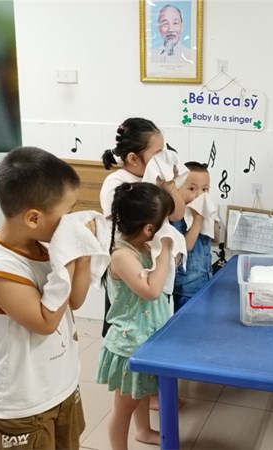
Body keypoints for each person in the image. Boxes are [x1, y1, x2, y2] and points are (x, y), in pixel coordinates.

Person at [0, 146, 92, 449]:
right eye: (67, 213)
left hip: (60, 386)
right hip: (22, 403)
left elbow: (74, 301)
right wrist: (67, 258)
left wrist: (84, 254)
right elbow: (45, 322)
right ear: (34, 218)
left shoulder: (45, 247)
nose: (71, 221)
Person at [95, 182, 175, 449]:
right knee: (124, 407)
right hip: (129, 344)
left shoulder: (143, 247)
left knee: (139, 394)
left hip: (146, 338)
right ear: (149, 229)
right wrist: (166, 250)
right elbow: (151, 290)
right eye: (165, 222)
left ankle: (143, 431)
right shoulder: (122, 255)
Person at [100, 117, 184, 337]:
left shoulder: (159, 179)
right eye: (157, 153)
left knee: (156, 322)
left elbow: (177, 213)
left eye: (164, 150)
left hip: (157, 264)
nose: (164, 157)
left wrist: (169, 184)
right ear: (133, 158)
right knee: (127, 324)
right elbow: (125, 228)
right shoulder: (117, 183)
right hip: (130, 268)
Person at [171, 161, 220, 312]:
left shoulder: (203, 213)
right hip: (185, 288)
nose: (199, 195)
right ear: (178, 189)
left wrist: (213, 218)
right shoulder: (177, 216)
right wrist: (197, 220)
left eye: (205, 189)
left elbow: (216, 240)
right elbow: (185, 247)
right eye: (192, 189)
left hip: (205, 282)